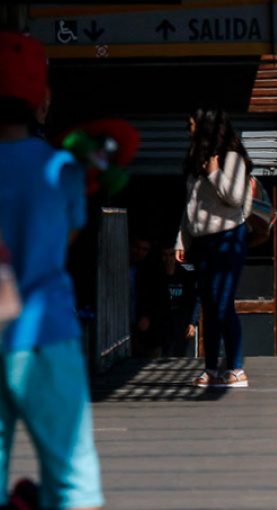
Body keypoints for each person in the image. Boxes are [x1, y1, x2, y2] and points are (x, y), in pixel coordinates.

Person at [0, 31, 104, 510]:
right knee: (70, 477)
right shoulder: (61, 166)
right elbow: (67, 239)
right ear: (40, 98)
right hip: (45, 336)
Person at [176, 106, 252, 388]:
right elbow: (190, 206)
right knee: (209, 304)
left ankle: (236, 368)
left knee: (222, 304)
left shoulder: (232, 158)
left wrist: (215, 172)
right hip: (203, 241)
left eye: (193, 125)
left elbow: (235, 197)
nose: (190, 131)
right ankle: (212, 369)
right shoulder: (195, 161)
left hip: (228, 238)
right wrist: (181, 239)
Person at [159, 244, 200, 357]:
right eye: (165, 255)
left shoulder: (186, 275)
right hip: (163, 324)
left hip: (182, 323)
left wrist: (192, 322)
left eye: (171, 255)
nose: (168, 259)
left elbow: (195, 299)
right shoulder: (156, 276)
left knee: (183, 356)